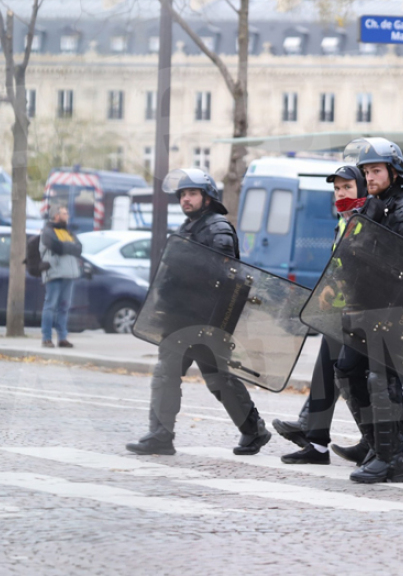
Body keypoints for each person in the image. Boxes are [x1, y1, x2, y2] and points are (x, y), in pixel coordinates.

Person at [126, 168, 271, 457]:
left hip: (206, 319)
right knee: (173, 373)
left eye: (192, 193)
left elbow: (223, 273)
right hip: (182, 318)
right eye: (182, 195)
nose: (186, 199)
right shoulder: (188, 227)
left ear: (207, 197)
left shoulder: (217, 227)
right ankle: (162, 435)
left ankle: (253, 430)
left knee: (216, 379)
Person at [333, 137, 403, 483]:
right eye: (366, 171)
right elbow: (355, 251)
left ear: (394, 173)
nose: (370, 176)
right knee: (348, 371)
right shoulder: (371, 206)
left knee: (383, 381)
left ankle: (392, 459)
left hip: (392, 312)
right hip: (366, 307)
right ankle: (379, 446)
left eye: (376, 170)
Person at [276, 165, 368, 464]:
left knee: (372, 382)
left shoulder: (366, 220)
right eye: (337, 189)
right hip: (340, 315)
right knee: (325, 375)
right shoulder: (344, 222)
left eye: (347, 188)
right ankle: (316, 442)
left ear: (362, 190)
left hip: (364, 316)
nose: (341, 194)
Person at [40, 205, 82, 348]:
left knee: (64, 307)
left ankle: (62, 338)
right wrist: (69, 247)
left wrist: (67, 247)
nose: (67, 216)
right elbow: (57, 247)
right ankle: (46, 338)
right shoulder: (47, 231)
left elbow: (79, 248)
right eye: (65, 213)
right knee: (50, 306)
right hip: (54, 273)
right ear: (56, 216)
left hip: (68, 274)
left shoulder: (68, 232)